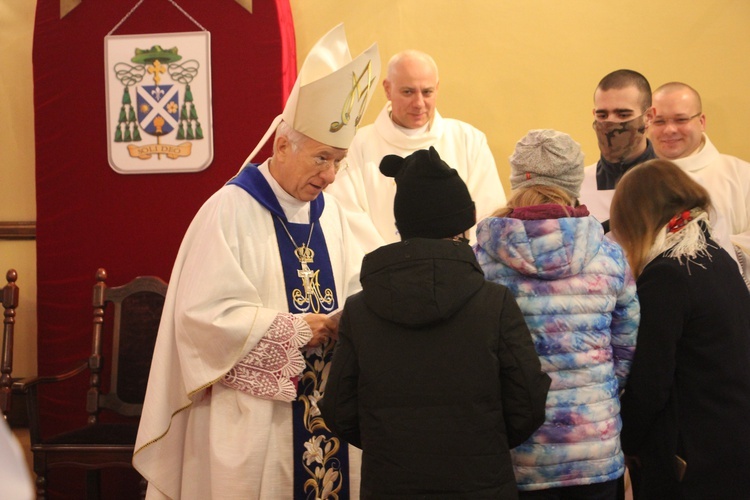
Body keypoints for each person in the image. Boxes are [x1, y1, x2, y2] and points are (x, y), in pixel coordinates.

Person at [132, 24, 380, 499]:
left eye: (339, 161)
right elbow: (202, 319)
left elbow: (366, 284)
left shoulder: (340, 216)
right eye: (321, 158)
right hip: (254, 419)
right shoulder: (229, 210)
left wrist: (353, 316)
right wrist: (299, 328)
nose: (330, 175)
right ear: (282, 145)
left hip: (332, 409)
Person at [320, 147, 550, 499]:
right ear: (462, 226)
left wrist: (389, 445)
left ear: (402, 226)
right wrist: (486, 442)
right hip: (481, 484)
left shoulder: (360, 310)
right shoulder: (495, 303)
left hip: (391, 486)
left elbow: (338, 408)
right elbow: (529, 401)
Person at [474, 129, 640, 498]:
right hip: (593, 449)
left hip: (517, 451)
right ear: (574, 183)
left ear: (516, 179)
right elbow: (627, 349)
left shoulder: (483, 257)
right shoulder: (608, 254)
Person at [610, 159, 750, 499]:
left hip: (691, 458)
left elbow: (651, 381)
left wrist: (623, 441)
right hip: (732, 444)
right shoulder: (716, 257)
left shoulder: (667, 274)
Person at [324, 49, 505, 251]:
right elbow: (346, 215)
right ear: (387, 89)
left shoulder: (469, 140)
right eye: (408, 92)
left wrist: (457, 264)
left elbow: (488, 215)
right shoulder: (357, 145)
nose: (418, 103)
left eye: (427, 92)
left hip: (457, 272)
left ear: (437, 88)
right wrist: (392, 265)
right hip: (383, 274)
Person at [649, 81, 750, 288]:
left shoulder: (741, 174)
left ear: (701, 121)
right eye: (659, 122)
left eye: (681, 119)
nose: (669, 130)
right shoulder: (635, 182)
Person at [579, 69, 656, 230]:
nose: (611, 123)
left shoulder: (676, 183)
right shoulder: (577, 186)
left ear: (648, 116)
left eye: (623, 115)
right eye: (602, 115)